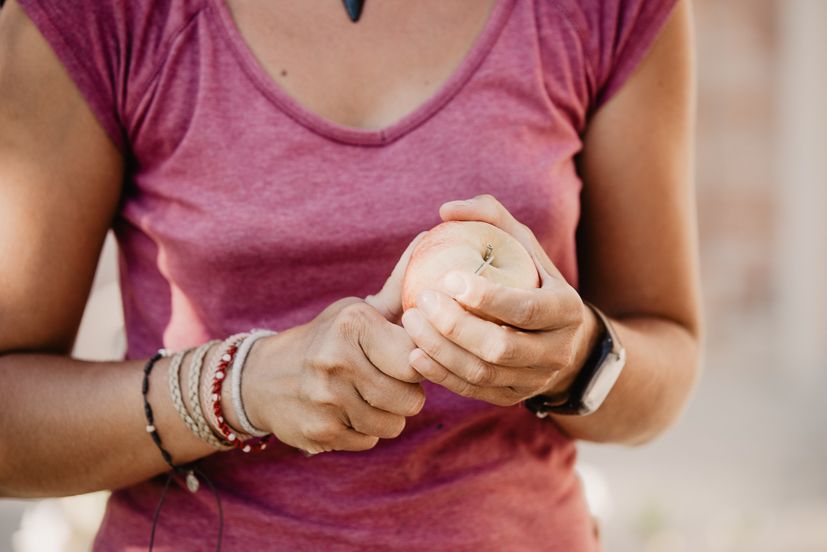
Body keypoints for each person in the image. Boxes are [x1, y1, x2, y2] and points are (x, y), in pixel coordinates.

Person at [0, 0, 701, 550]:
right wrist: (239, 387)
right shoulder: (99, 15)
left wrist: (574, 358)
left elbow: (665, 358)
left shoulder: (604, 10)